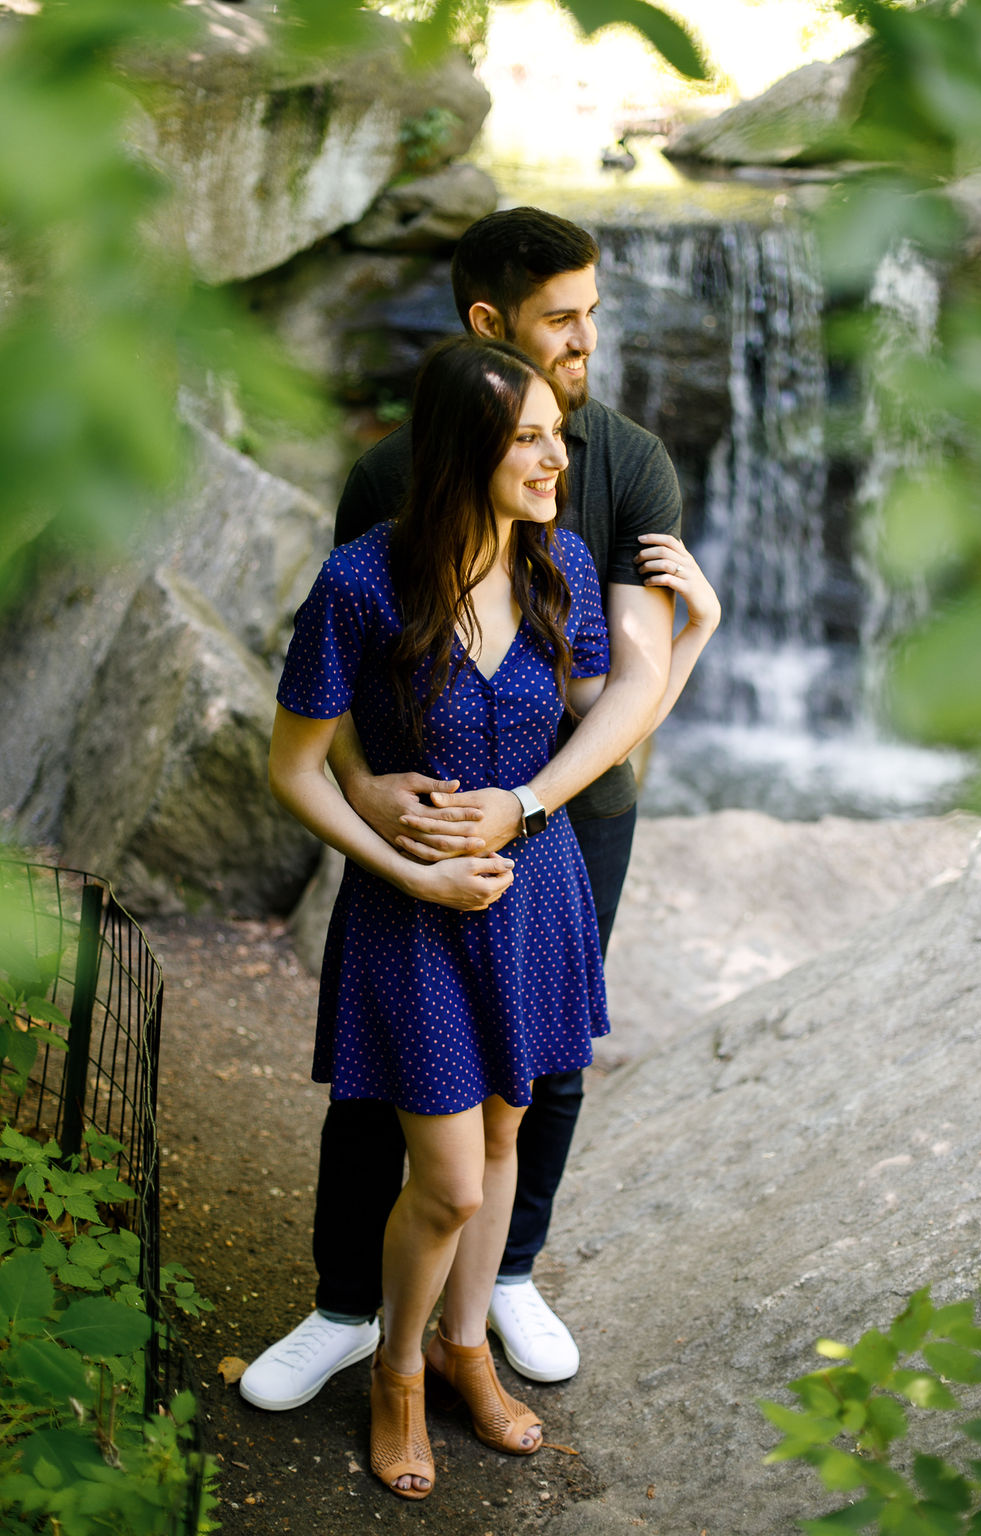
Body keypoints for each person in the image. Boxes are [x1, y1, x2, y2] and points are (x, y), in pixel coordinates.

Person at [241, 207, 720, 1414]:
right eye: (563, 318)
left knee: (533, 1087)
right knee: (388, 1095)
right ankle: (352, 1310)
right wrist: (362, 790)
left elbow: (619, 693)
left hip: (558, 832)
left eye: (592, 314)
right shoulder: (382, 507)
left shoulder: (608, 485)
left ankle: (491, 1297)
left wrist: (523, 802)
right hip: (422, 849)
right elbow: (343, 681)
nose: (587, 339)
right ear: (488, 327)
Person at [267, 336, 615, 1498]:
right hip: (413, 916)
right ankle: (398, 1371)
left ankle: (470, 1351)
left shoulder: (555, 564)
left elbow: (605, 718)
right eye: (528, 439)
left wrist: (695, 634)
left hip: (536, 890)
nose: (554, 458)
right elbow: (297, 768)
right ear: (466, 448)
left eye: (554, 436)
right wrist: (401, 867)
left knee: (510, 1135)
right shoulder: (360, 584)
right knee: (452, 1182)